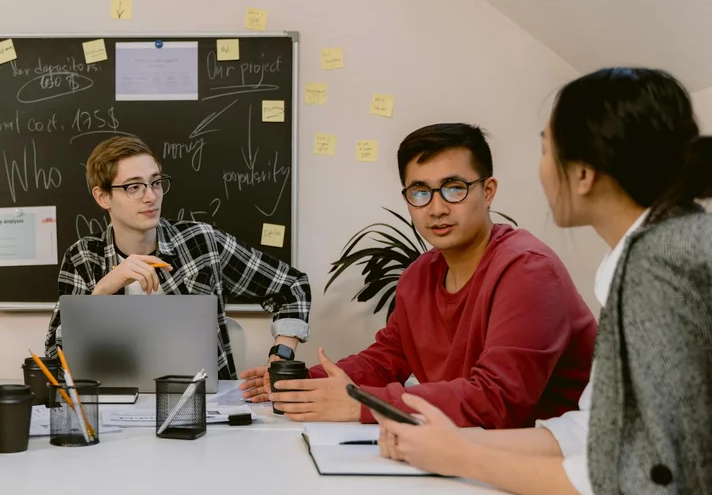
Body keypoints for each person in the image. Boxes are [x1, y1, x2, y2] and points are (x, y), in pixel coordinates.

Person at [376, 69, 711, 495]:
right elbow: (598, 430)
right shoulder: (658, 247)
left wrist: (461, 457)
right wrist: (455, 440)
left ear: (582, 175)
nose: (540, 169)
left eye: (544, 150)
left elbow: (638, 481)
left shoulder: (660, 264)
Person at [242, 123, 595, 427]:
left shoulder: (528, 270)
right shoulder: (419, 276)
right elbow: (384, 361)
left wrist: (362, 404)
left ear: (487, 192)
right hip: (463, 452)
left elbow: (497, 401)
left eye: (455, 188)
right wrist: (303, 383)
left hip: (550, 468)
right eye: (420, 192)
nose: (437, 208)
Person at [44, 135, 311, 379]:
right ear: (103, 197)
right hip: (113, 405)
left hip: (200, 402)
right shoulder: (82, 257)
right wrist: (102, 292)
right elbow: (56, 360)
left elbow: (292, 286)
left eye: (156, 182)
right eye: (134, 187)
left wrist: (281, 357)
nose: (151, 197)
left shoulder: (202, 242)